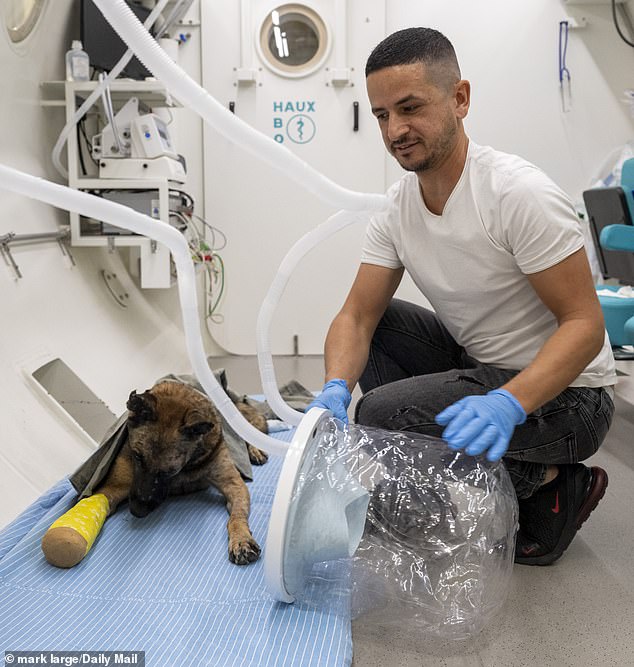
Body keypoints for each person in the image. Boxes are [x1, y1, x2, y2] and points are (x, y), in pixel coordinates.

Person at [306, 27, 616, 566]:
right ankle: (481, 470)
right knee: (378, 331)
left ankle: (545, 478)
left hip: (573, 396)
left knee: (381, 413)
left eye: (410, 108)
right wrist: (334, 386)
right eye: (381, 115)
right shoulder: (398, 209)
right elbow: (355, 317)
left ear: (460, 99)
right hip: (482, 363)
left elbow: (585, 326)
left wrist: (508, 402)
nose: (395, 130)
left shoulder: (516, 194)